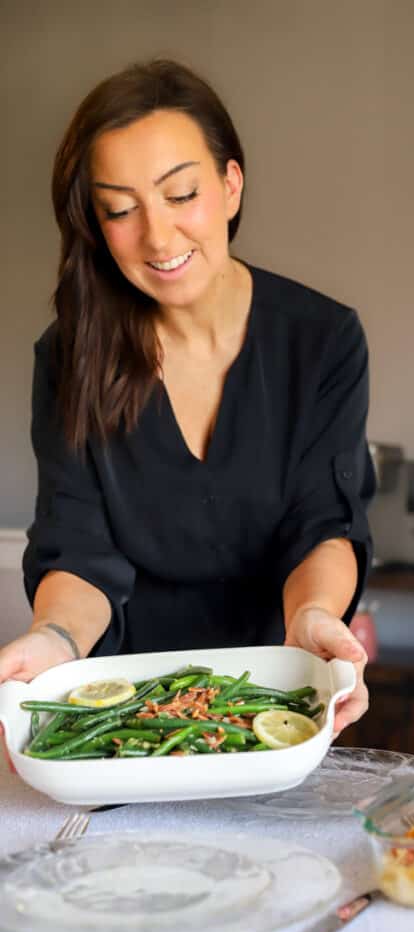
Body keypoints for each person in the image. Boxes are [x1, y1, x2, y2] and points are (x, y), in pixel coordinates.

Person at [0, 59, 375, 733]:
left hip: (274, 699)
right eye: (120, 209)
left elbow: (324, 523)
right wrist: (52, 641)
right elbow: (76, 547)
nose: (158, 236)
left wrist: (313, 618)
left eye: (181, 195)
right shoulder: (70, 355)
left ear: (230, 185)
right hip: (123, 714)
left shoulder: (321, 340)